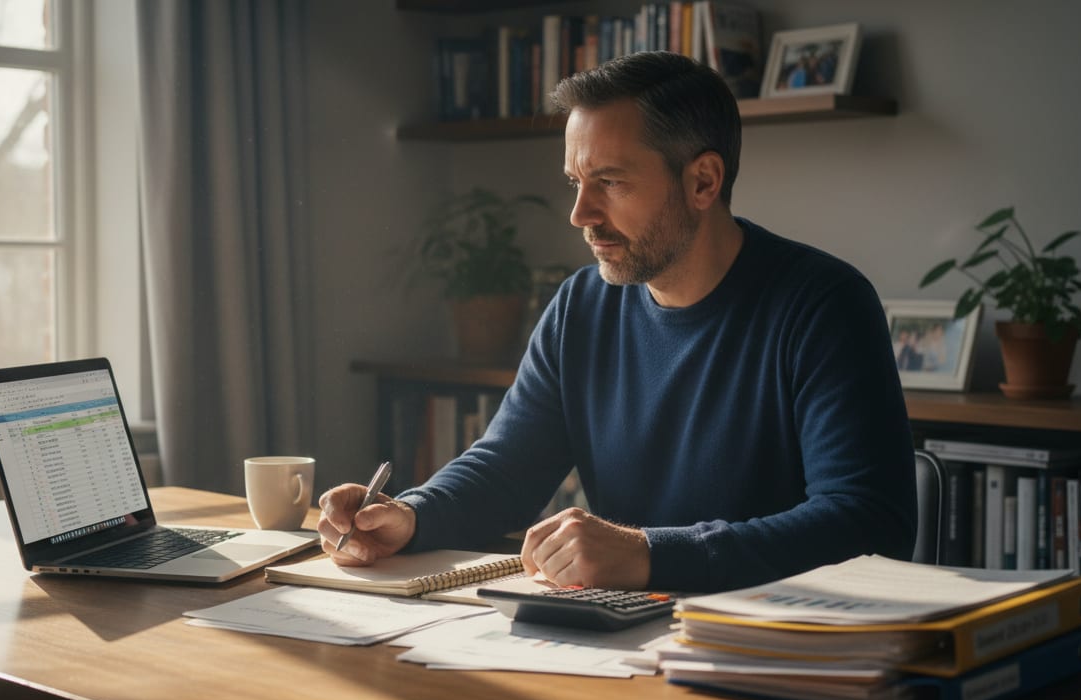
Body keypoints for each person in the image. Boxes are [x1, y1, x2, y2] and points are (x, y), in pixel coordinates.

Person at [319, 51, 915, 593]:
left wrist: (650, 553)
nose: (581, 214)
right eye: (577, 183)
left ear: (703, 181)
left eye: (610, 182)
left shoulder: (824, 305)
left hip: (774, 643)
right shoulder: (581, 307)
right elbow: (506, 469)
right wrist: (412, 516)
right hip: (623, 638)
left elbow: (867, 521)